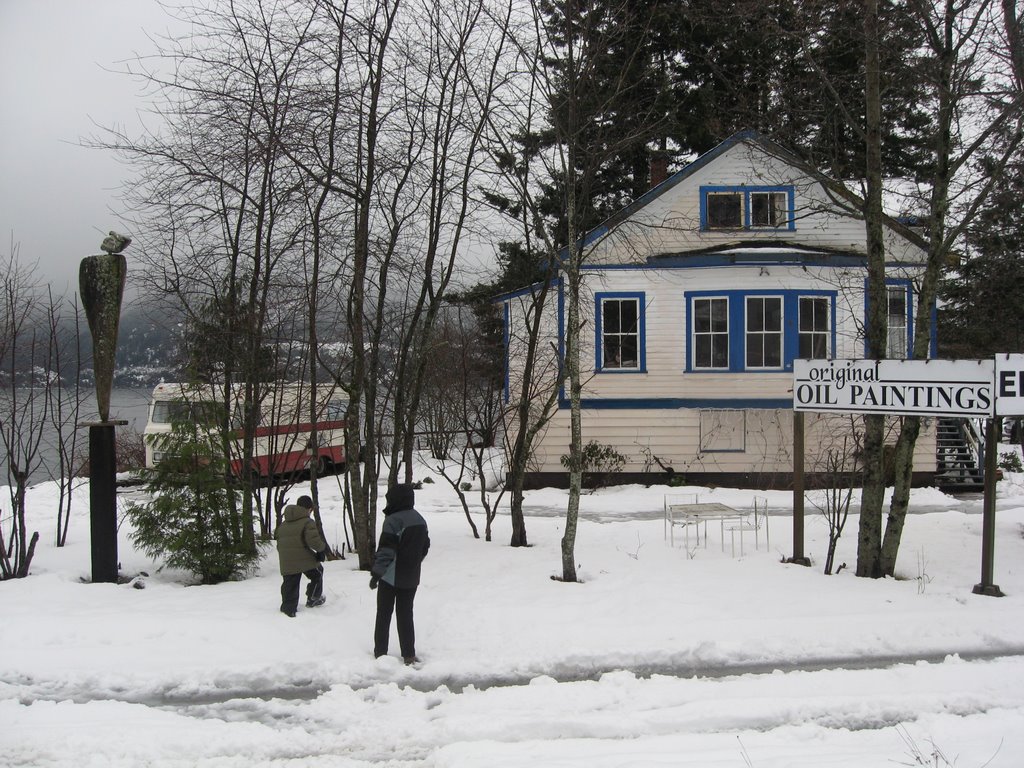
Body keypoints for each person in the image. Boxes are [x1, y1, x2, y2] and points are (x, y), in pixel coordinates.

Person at [370, 483, 430, 664]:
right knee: (405, 615)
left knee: (384, 614)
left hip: (390, 578)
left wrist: (376, 574)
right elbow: (425, 547)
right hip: (412, 576)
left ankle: (380, 653)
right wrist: (414, 562)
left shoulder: (393, 520)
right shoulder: (420, 519)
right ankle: (409, 655)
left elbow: (386, 551)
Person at [275, 495, 328, 617]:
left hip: (286, 560)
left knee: (290, 583)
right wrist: (321, 550)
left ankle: (288, 608)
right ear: (310, 509)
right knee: (317, 572)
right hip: (302, 559)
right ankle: (313, 598)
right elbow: (313, 541)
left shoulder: (283, 524)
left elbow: (279, 542)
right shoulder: (307, 522)